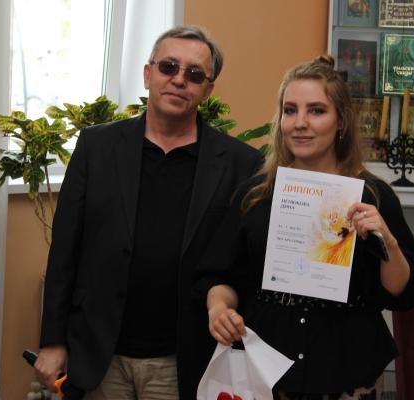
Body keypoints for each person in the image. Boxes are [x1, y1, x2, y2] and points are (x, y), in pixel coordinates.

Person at [34, 26, 263, 399]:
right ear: (147, 74)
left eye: (194, 74)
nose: (179, 80)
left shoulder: (241, 164)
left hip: (182, 361)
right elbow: (64, 252)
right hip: (100, 355)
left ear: (208, 91)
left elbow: (242, 265)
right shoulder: (96, 147)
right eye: (168, 67)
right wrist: (53, 341)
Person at [199, 55, 414, 400]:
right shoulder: (253, 196)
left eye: (317, 111)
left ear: (341, 121)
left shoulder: (372, 196)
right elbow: (221, 275)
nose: (300, 123)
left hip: (347, 371)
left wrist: (387, 240)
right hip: (265, 371)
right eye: (290, 110)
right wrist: (219, 308)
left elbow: (403, 292)